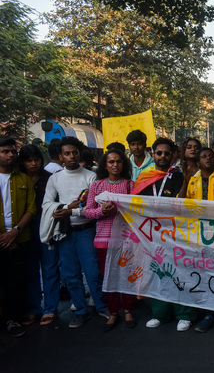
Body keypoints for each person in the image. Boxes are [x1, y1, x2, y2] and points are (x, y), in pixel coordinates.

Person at [41, 136, 109, 329]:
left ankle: (102, 307)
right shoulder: (55, 179)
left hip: (86, 230)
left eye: (74, 153)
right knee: (70, 274)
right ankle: (80, 311)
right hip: (65, 232)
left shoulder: (91, 176)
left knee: (93, 272)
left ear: (79, 153)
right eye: (67, 153)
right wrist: (64, 207)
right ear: (61, 157)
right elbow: (46, 204)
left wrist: (73, 209)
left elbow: (95, 203)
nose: (71, 156)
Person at [132, 137, 196, 331]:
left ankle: (184, 314)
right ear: (153, 154)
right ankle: (160, 313)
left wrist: (185, 180)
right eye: (158, 153)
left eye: (166, 153)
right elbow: (135, 203)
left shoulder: (179, 176)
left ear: (172, 155)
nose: (162, 156)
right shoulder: (144, 176)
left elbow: (184, 203)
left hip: (176, 232)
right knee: (157, 272)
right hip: (152, 233)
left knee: (180, 272)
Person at [179, 147, 214, 336]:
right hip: (199, 236)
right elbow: (182, 204)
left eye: (211, 156)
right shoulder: (193, 180)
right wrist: (186, 180)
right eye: (204, 157)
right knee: (204, 274)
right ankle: (208, 314)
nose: (209, 159)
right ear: (198, 161)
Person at [85, 149, 136, 332]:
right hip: (104, 239)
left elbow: (137, 212)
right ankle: (113, 311)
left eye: (118, 161)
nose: (115, 165)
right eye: (111, 162)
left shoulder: (131, 185)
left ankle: (128, 309)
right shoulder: (97, 186)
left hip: (126, 239)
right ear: (105, 165)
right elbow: (88, 211)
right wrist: (102, 211)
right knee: (108, 276)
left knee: (127, 274)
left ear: (124, 164)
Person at [0, 138, 36, 337]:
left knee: (16, 281)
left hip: (20, 239)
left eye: (13, 151)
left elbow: (31, 208)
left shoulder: (23, 179)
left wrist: (14, 232)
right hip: (2, 240)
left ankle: (12, 319)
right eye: (5, 151)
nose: (11, 155)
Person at [18, 145, 52, 326]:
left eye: (36, 160)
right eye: (29, 160)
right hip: (24, 226)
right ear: (22, 162)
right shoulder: (17, 179)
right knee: (31, 269)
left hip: (46, 224)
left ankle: (50, 308)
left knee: (49, 267)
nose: (33, 164)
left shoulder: (49, 178)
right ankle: (33, 308)